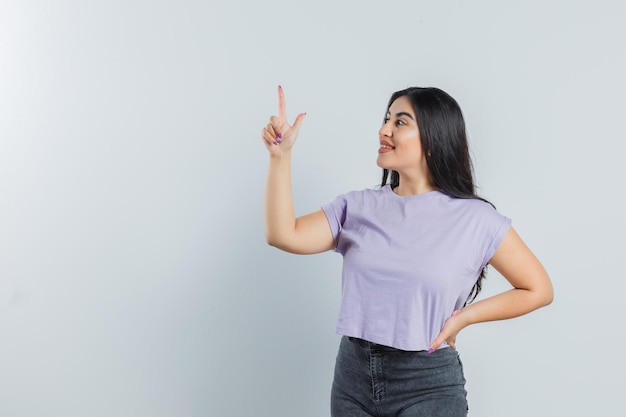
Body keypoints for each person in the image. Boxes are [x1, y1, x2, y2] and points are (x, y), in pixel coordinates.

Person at [261, 85, 553, 417]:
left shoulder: (476, 219)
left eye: (400, 122)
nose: (384, 129)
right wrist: (280, 157)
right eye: (386, 119)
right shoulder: (358, 207)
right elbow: (282, 234)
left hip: (426, 381)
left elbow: (538, 289)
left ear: (433, 138)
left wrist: (464, 318)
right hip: (353, 376)